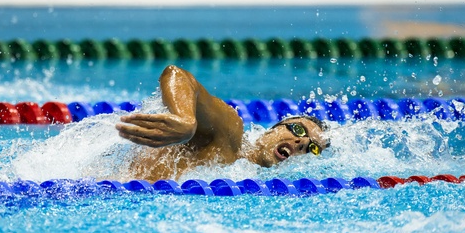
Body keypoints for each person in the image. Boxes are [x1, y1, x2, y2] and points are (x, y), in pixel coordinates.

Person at [115, 65, 330, 181]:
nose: (302, 142)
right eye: (298, 130)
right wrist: (185, 121)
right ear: (273, 129)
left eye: (313, 149)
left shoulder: (246, 178)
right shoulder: (230, 132)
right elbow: (176, 75)